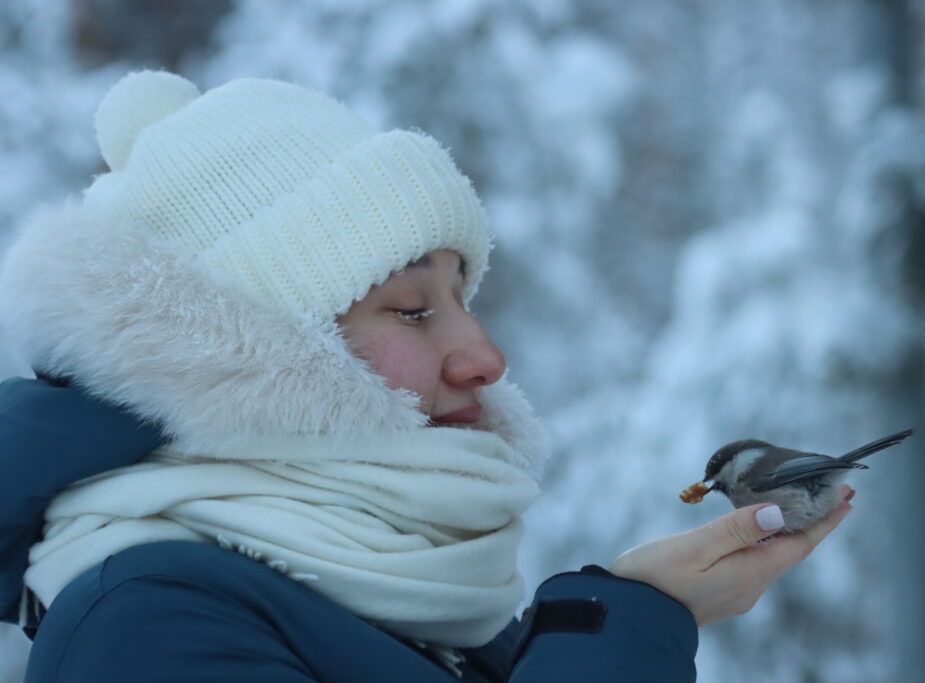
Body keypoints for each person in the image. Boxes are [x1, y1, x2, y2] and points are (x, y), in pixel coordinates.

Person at [0, 71, 852, 683]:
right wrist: (626, 627)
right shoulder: (146, 623)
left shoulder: (432, 614)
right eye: (413, 309)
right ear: (247, 355)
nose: (485, 355)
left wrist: (626, 609)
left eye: (463, 298)